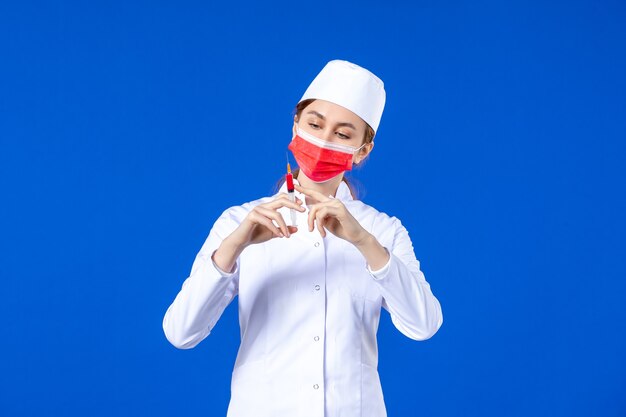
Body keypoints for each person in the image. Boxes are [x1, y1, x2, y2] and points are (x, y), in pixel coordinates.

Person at [163, 60, 443, 417]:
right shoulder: (237, 221)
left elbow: (424, 325)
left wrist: (365, 243)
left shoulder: (384, 231)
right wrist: (234, 246)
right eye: (314, 124)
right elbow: (181, 332)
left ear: (362, 151)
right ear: (295, 125)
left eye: (343, 134)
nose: (324, 141)